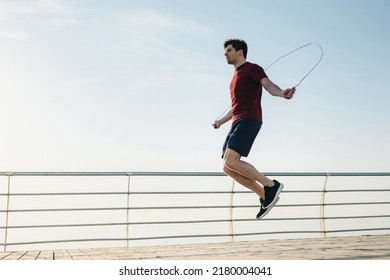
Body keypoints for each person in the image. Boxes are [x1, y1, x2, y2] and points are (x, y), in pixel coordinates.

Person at [212, 39, 295, 219]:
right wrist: (220, 121)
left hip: (250, 119)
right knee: (227, 167)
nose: (225, 54)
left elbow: (269, 86)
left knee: (231, 160)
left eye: (228, 50)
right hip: (237, 121)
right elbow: (235, 107)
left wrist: (282, 93)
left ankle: (271, 185)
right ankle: (265, 195)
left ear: (240, 52)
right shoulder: (235, 76)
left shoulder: (253, 68)